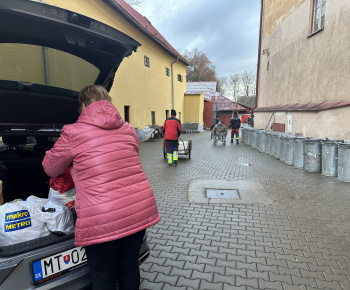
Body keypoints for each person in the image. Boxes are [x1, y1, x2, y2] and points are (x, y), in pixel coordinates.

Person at [42, 85, 160, 290]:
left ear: (83, 105)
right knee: (129, 267)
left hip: (103, 216)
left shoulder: (73, 132)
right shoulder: (129, 129)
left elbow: (50, 168)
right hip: (138, 209)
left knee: (103, 276)